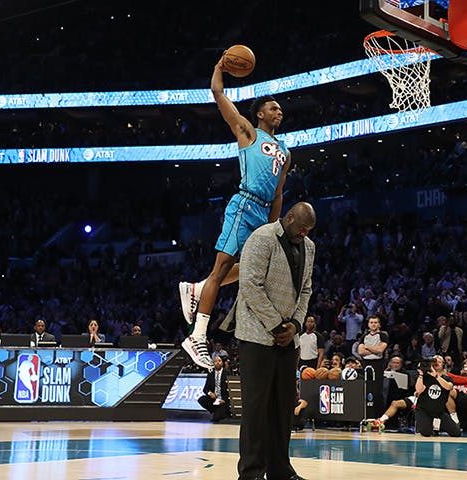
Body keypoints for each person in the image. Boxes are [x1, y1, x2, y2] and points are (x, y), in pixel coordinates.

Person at [179, 53, 291, 370]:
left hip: (263, 215)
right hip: (244, 205)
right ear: (259, 114)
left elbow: (280, 193)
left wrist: (273, 228)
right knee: (222, 269)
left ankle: (196, 289)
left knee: (250, 270)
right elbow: (218, 94)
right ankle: (197, 335)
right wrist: (218, 68)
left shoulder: (286, 151)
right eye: (272, 107)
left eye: (280, 108)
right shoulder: (247, 132)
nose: (278, 110)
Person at [219, 202, 315, 480]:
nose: (304, 235)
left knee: (283, 407)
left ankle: (280, 470)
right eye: (300, 229)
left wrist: (295, 325)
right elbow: (249, 285)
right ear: (288, 218)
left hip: (288, 338)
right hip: (256, 335)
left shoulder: (309, 247)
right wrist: (276, 325)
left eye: (308, 231)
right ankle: (250, 473)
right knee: (256, 408)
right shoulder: (261, 238)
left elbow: (306, 289)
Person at [414, 355, 462, 437]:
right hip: (423, 410)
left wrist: (436, 376)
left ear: (443, 364)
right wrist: (421, 374)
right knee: (426, 433)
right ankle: (422, 424)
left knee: (456, 433)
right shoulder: (425, 377)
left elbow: (448, 387)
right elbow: (419, 390)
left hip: (439, 411)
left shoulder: (447, 378)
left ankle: (436, 426)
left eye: (439, 361)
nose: (436, 363)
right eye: (434, 362)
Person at [197, 356, 231, 423]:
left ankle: (221, 412)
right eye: (215, 361)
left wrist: (224, 400)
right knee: (201, 399)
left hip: (224, 400)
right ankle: (214, 411)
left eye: (219, 361)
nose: (217, 363)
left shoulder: (227, 373)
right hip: (214, 399)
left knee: (216, 418)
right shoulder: (211, 374)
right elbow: (205, 389)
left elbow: (230, 390)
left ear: (222, 362)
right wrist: (210, 393)